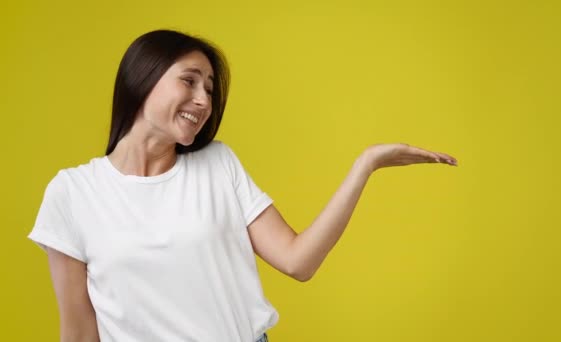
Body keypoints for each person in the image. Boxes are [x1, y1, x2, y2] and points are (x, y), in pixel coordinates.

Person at [28, 29, 458, 342]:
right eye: (190, 80)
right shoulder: (72, 193)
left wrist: (365, 165)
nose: (203, 100)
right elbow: (81, 333)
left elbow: (298, 262)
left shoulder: (219, 165)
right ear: (143, 77)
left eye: (209, 89)